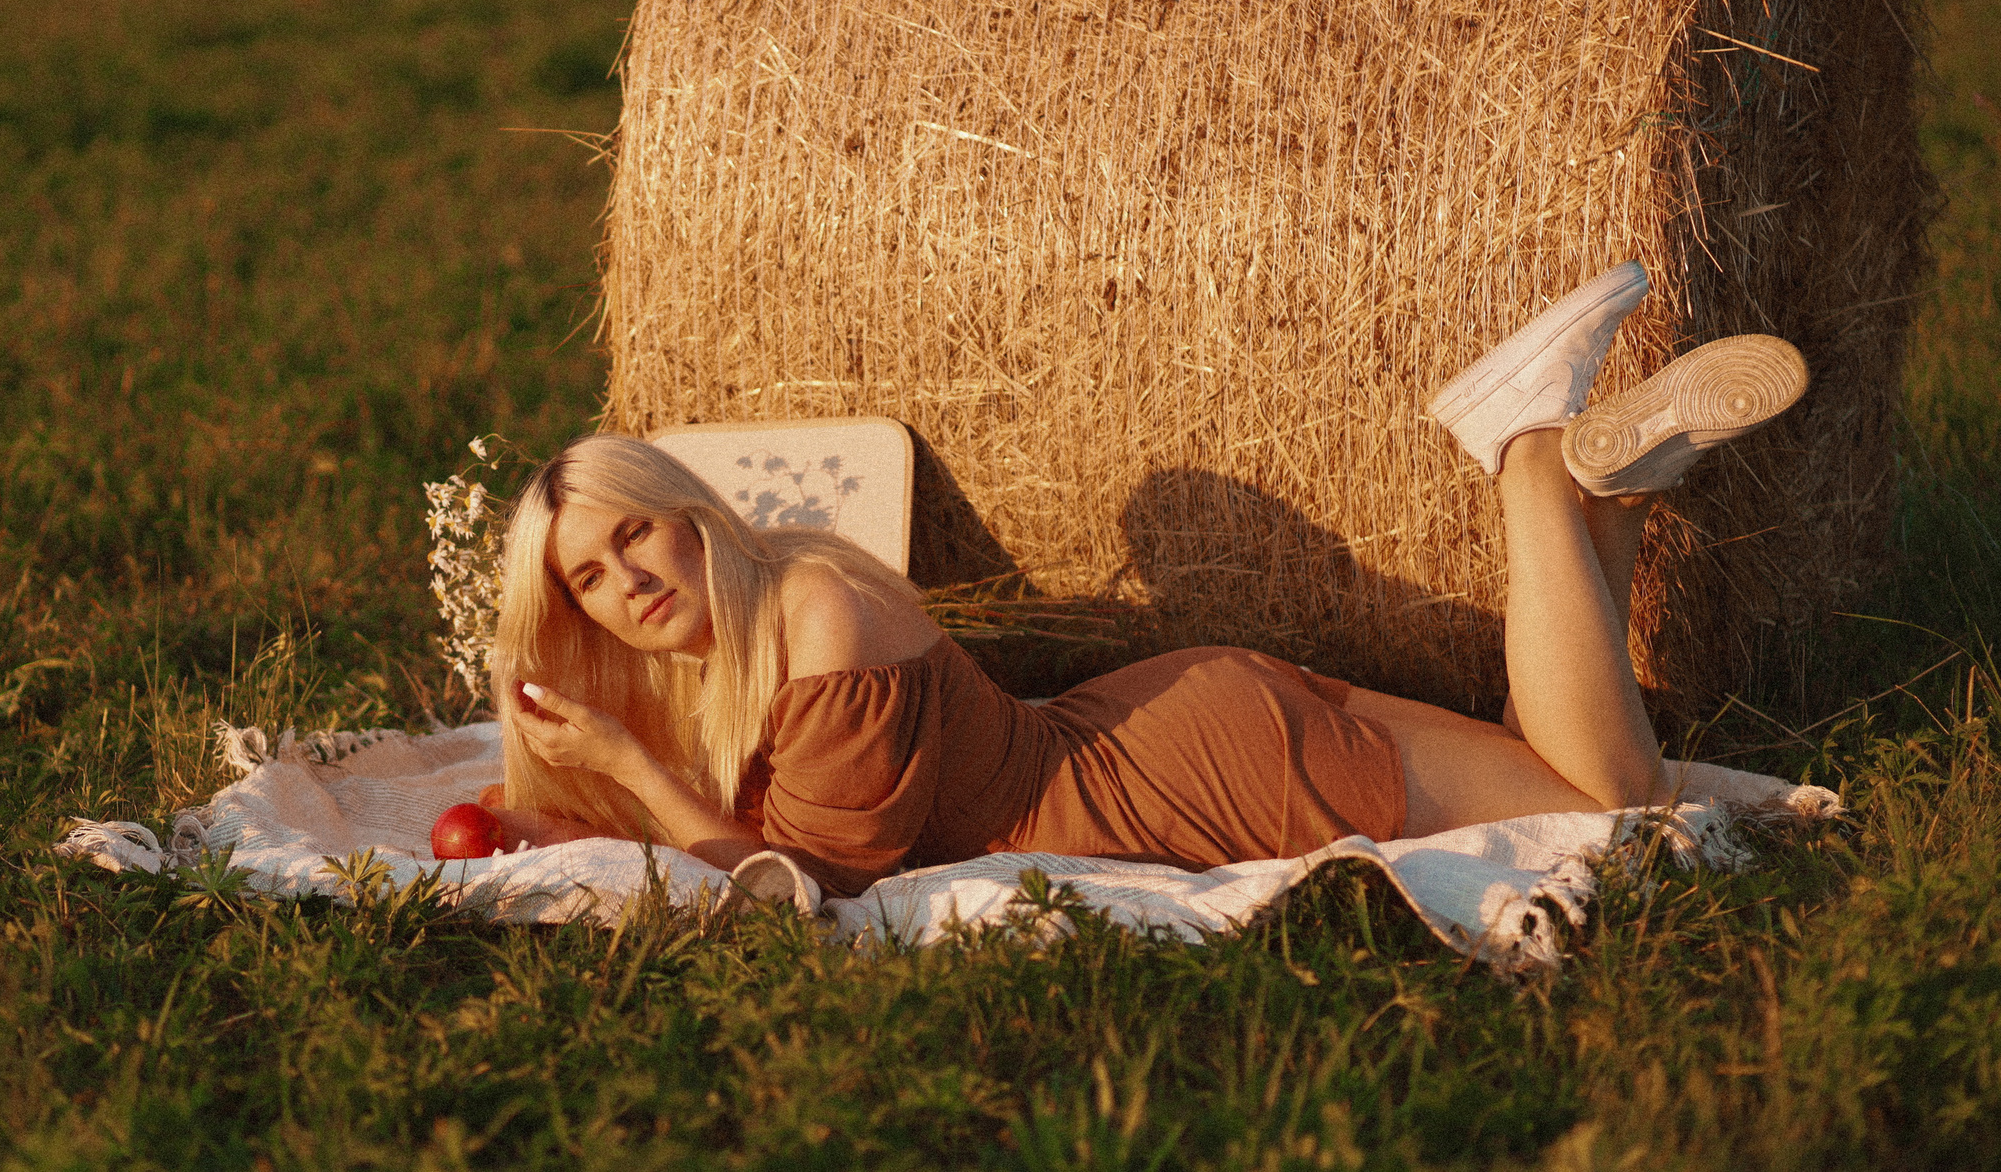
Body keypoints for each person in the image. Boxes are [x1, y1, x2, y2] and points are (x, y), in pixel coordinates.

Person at [481, 263, 1810, 897]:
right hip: (1168, 722)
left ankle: (1521, 456)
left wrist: (637, 774)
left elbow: (806, 896)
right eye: (588, 580)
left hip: (1174, 779)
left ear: (688, 515)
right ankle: (1600, 499)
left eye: (634, 538)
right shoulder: (767, 613)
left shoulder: (816, 620)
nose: (623, 583)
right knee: (1562, 774)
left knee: (1615, 815)